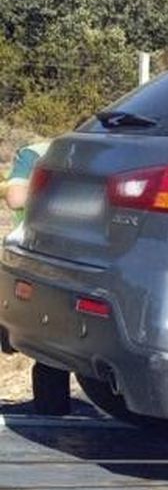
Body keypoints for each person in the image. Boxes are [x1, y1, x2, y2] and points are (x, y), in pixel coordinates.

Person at [4, 139, 71, 412]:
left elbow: (15, 197)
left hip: (38, 253)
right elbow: (15, 197)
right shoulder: (38, 153)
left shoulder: (37, 152)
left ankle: (53, 407)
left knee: (47, 337)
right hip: (63, 255)